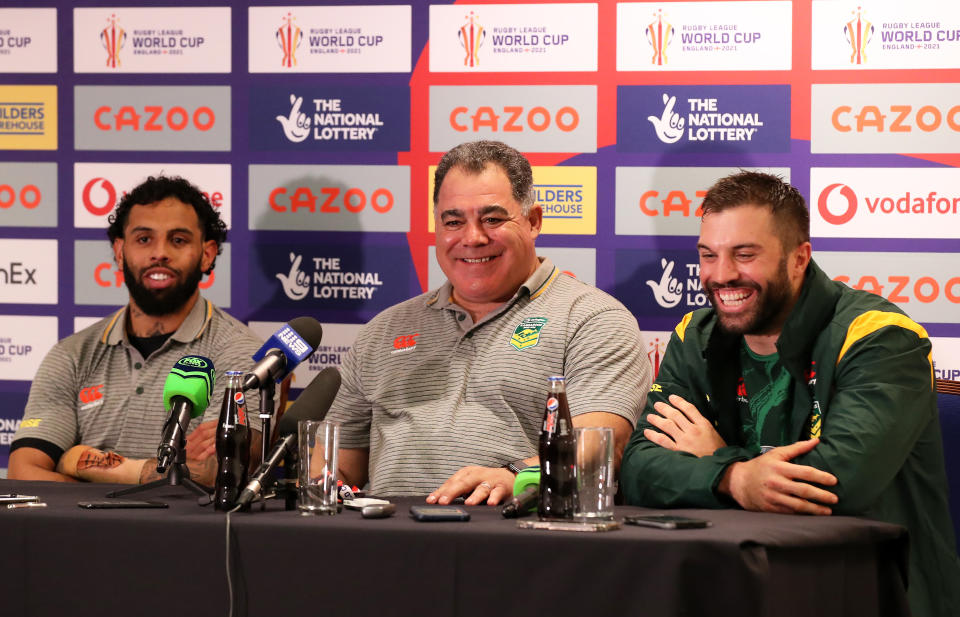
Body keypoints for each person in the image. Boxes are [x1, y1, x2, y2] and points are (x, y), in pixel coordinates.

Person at [620, 170, 960, 617]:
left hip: (871, 592)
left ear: (799, 259)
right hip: (737, 587)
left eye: (744, 254)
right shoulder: (694, 335)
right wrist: (736, 478)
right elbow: (638, 466)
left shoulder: (880, 337)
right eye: (708, 255)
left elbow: (837, 484)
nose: (721, 276)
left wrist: (716, 458)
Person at [327, 140, 650, 504]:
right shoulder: (384, 331)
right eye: (454, 221)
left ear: (533, 221)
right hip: (385, 541)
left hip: (514, 537)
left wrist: (518, 476)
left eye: (493, 219)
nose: (473, 237)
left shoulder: (592, 319)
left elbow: (599, 449)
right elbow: (336, 468)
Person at [10, 175, 266, 485]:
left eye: (178, 240)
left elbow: (218, 474)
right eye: (144, 239)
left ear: (207, 253)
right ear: (119, 251)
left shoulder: (238, 352)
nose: (160, 253)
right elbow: (23, 474)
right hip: (81, 533)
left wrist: (78, 461)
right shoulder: (73, 355)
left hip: (186, 534)